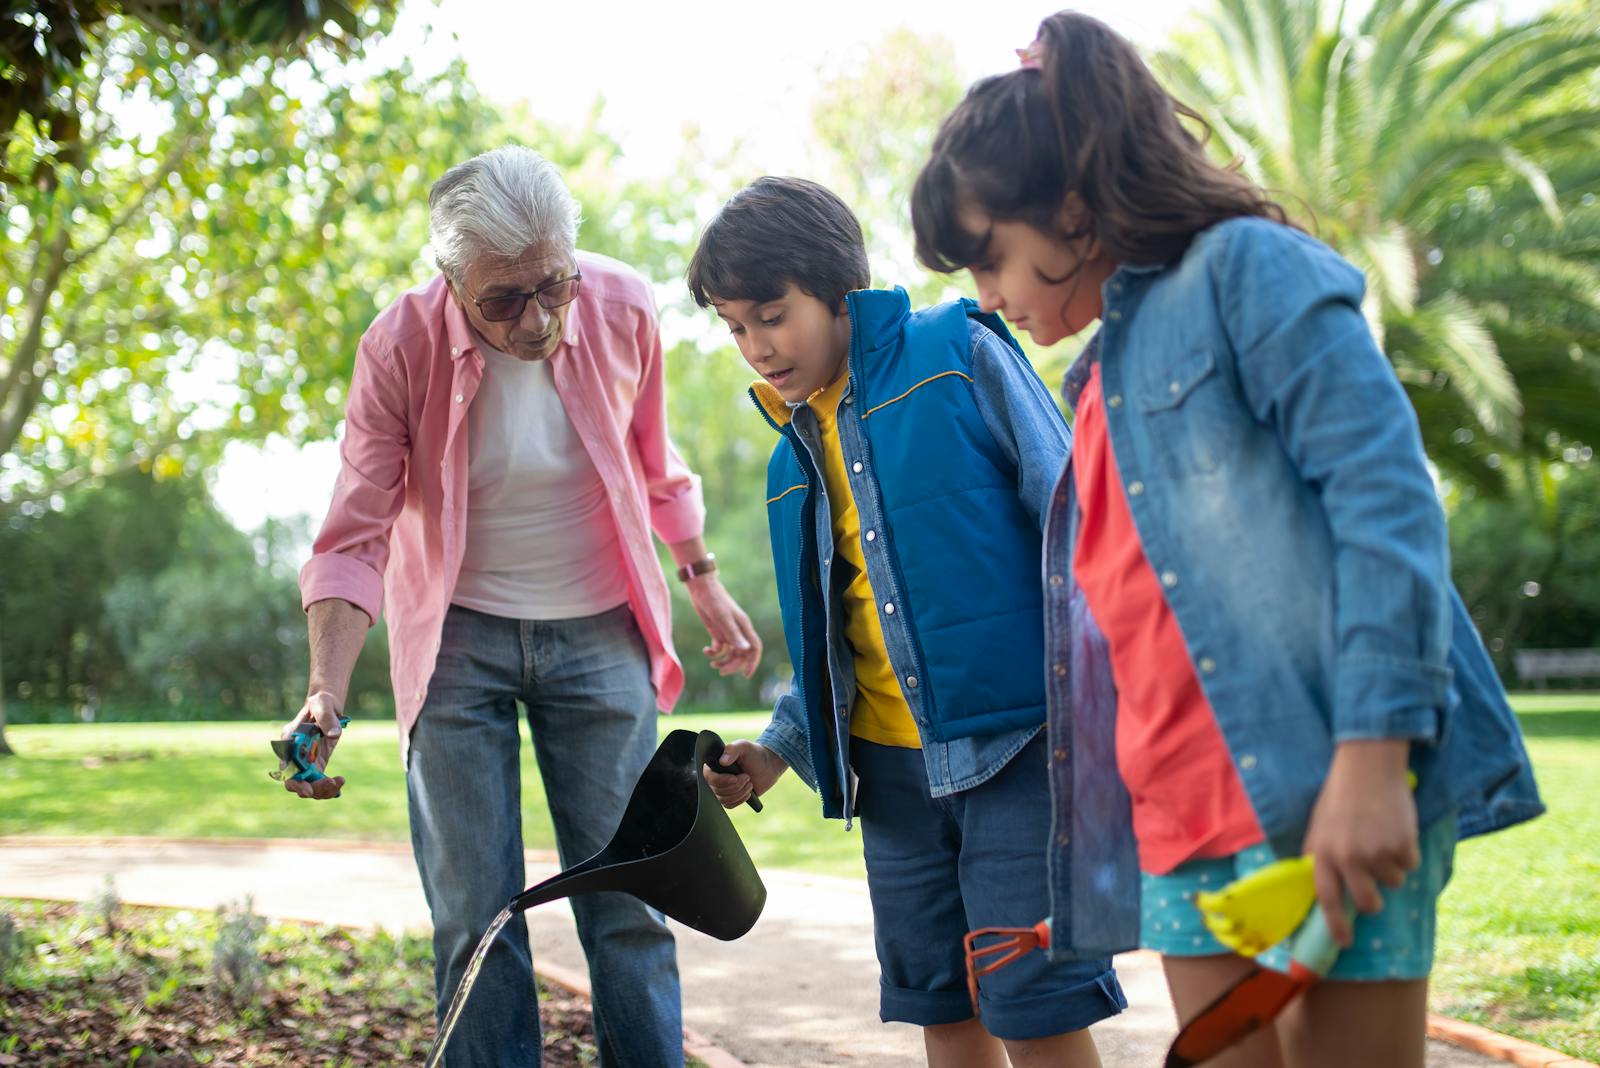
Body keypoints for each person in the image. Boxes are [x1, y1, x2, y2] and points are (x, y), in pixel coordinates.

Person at [909, 13, 1545, 1068]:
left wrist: (1371, 763)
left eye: (990, 258)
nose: (987, 298)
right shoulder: (1098, 376)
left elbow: (1386, 504)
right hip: (1179, 829)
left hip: (1319, 787)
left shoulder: (1249, 270)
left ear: (1069, 208)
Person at [286, 145, 762, 1067]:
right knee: (476, 916)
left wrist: (702, 577)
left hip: (600, 631)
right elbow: (354, 533)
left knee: (632, 899)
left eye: (554, 285)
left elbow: (655, 465)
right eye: (504, 299)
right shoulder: (400, 346)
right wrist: (323, 691)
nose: (539, 318)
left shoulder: (621, 305)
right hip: (455, 639)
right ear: (452, 282)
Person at [692, 177, 1123, 1067]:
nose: (756, 349)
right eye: (735, 328)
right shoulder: (788, 464)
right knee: (942, 1004)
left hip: (1017, 751)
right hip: (891, 782)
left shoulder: (954, 355)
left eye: (772, 316)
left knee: (1034, 1002)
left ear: (836, 291)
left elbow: (1079, 521)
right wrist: (776, 749)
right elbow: (839, 641)